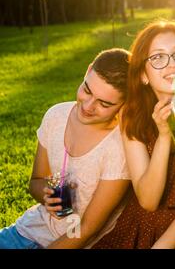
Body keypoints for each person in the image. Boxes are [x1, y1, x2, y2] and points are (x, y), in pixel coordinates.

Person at [93, 21, 175, 249]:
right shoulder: (132, 115)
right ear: (143, 74)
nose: (172, 65)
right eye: (158, 58)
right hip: (139, 228)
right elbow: (148, 201)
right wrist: (164, 136)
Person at [0, 48, 132, 249]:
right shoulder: (56, 116)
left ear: (125, 105)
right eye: (87, 90)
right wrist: (46, 195)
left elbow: (87, 229)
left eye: (104, 103)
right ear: (87, 71)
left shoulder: (119, 149)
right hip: (28, 231)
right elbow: (35, 181)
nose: (87, 106)